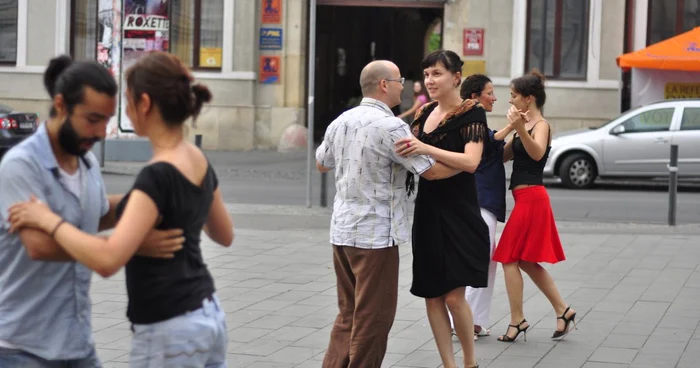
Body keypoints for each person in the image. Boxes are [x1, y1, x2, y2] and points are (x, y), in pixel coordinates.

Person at [8, 51, 234, 367]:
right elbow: (225, 235)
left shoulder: (155, 175)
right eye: (95, 119)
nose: (104, 130)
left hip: (167, 326)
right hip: (207, 313)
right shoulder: (196, 159)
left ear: (144, 104)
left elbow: (108, 259)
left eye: (124, 106)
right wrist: (168, 213)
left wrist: (48, 220)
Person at [316, 59, 462, 368]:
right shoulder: (391, 126)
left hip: (342, 231)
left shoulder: (342, 120)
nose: (403, 87)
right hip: (375, 237)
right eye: (399, 81)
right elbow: (430, 172)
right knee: (374, 317)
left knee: (349, 313)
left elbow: (322, 162)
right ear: (384, 85)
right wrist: (468, 164)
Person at [395, 50, 489, 368]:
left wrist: (425, 148)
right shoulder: (423, 113)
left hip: (460, 211)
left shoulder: (471, 112)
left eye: (437, 73)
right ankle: (449, 364)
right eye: (427, 75)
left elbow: (472, 161)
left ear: (456, 77)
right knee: (432, 293)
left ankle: (469, 361)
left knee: (453, 295)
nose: (430, 80)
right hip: (428, 210)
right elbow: (420, 164)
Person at [492, 69, 576, 343]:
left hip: (532, 199)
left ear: (528, 99)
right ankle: (563, 310)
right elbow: (502, 156)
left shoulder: (541, 125)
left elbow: (537, 153)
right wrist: (510, 130)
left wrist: (519, 129)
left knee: (507, 258)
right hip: (524, 198)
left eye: (514, 96)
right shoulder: (524, 125)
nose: (510, 101)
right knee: (526, 261)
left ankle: (518, 320)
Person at [446, 74, 510, 340]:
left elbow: (495, 145)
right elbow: (491, 142)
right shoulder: (471, 121)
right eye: (490, 92)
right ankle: (460, 320)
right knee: (479, 257)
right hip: (477, 198)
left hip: (487, 200)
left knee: (488, 259)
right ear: (475, 97)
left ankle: (475, 320)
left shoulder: (477, 122)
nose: (494, 97)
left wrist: (516, 128)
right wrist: (514, 125)